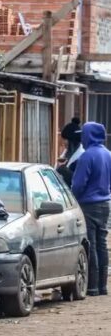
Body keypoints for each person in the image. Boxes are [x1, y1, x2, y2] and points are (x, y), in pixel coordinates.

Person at [71, 122, 111, 296]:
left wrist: (73, 198)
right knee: (102, 244)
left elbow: (78, 184)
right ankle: (103, 286)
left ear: (89, 136)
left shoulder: (87, 156)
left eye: (83, 135)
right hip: (105, 204)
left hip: (88, 204)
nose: (81, 139)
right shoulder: (108, 154)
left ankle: (92, 286)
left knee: (91, 245)